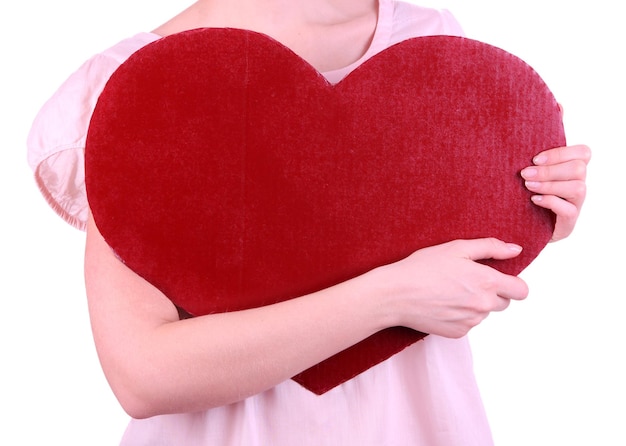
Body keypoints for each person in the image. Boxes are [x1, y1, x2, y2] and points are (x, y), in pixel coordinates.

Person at [27, 0, 591, 444]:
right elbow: (144, 374)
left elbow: (456, 265)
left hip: (423, 428)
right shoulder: (140, 88)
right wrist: (390, 297)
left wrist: (533, 210)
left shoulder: (439, 49)